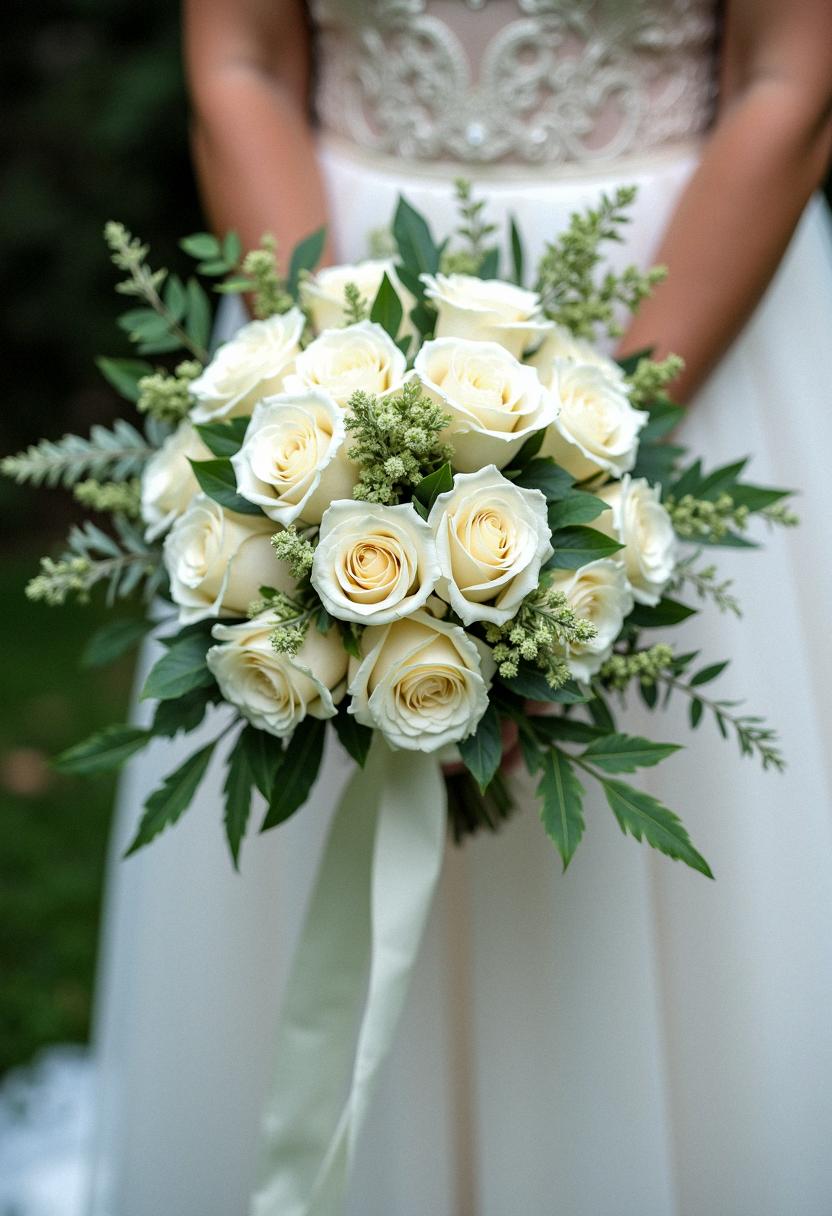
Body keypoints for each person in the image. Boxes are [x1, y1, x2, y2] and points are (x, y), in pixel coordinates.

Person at [87, 3, 832, 1214]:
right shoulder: (328, 372)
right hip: (331, 283)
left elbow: (786, 84)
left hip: (690, 301)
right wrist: (329, 401)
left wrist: (596, 456)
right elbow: (239, 62)